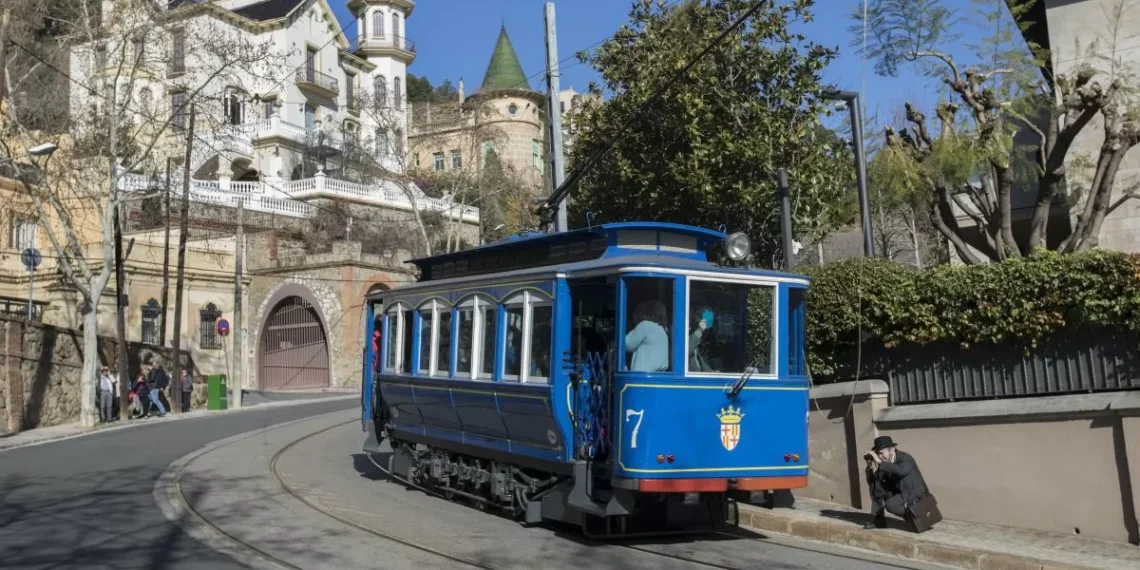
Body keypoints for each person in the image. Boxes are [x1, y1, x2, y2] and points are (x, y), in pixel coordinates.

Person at [864, 435, 931, 530]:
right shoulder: (885, 462)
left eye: (882, 453)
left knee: (891, 504)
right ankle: (879, 520)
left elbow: (901, 471)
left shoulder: (905, 458)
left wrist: (879, 461)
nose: (880, 456)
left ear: (891, 450)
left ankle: (917, 518)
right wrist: (869, 467)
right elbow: (873, 483)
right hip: (900, 492)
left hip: (914, 493)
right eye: (878, 454)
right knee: (877, 487)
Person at [625, 301, 669, 372]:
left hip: (643, 376)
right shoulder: (663, 328)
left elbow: (627, 344)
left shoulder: (645, 326)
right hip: (660, 375)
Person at [688, 307, 715, 371]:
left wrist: (713, 373)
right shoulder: (684, 336)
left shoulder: (695, 340)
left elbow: (700, 363)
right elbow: (687, 351)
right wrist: (700, 330)